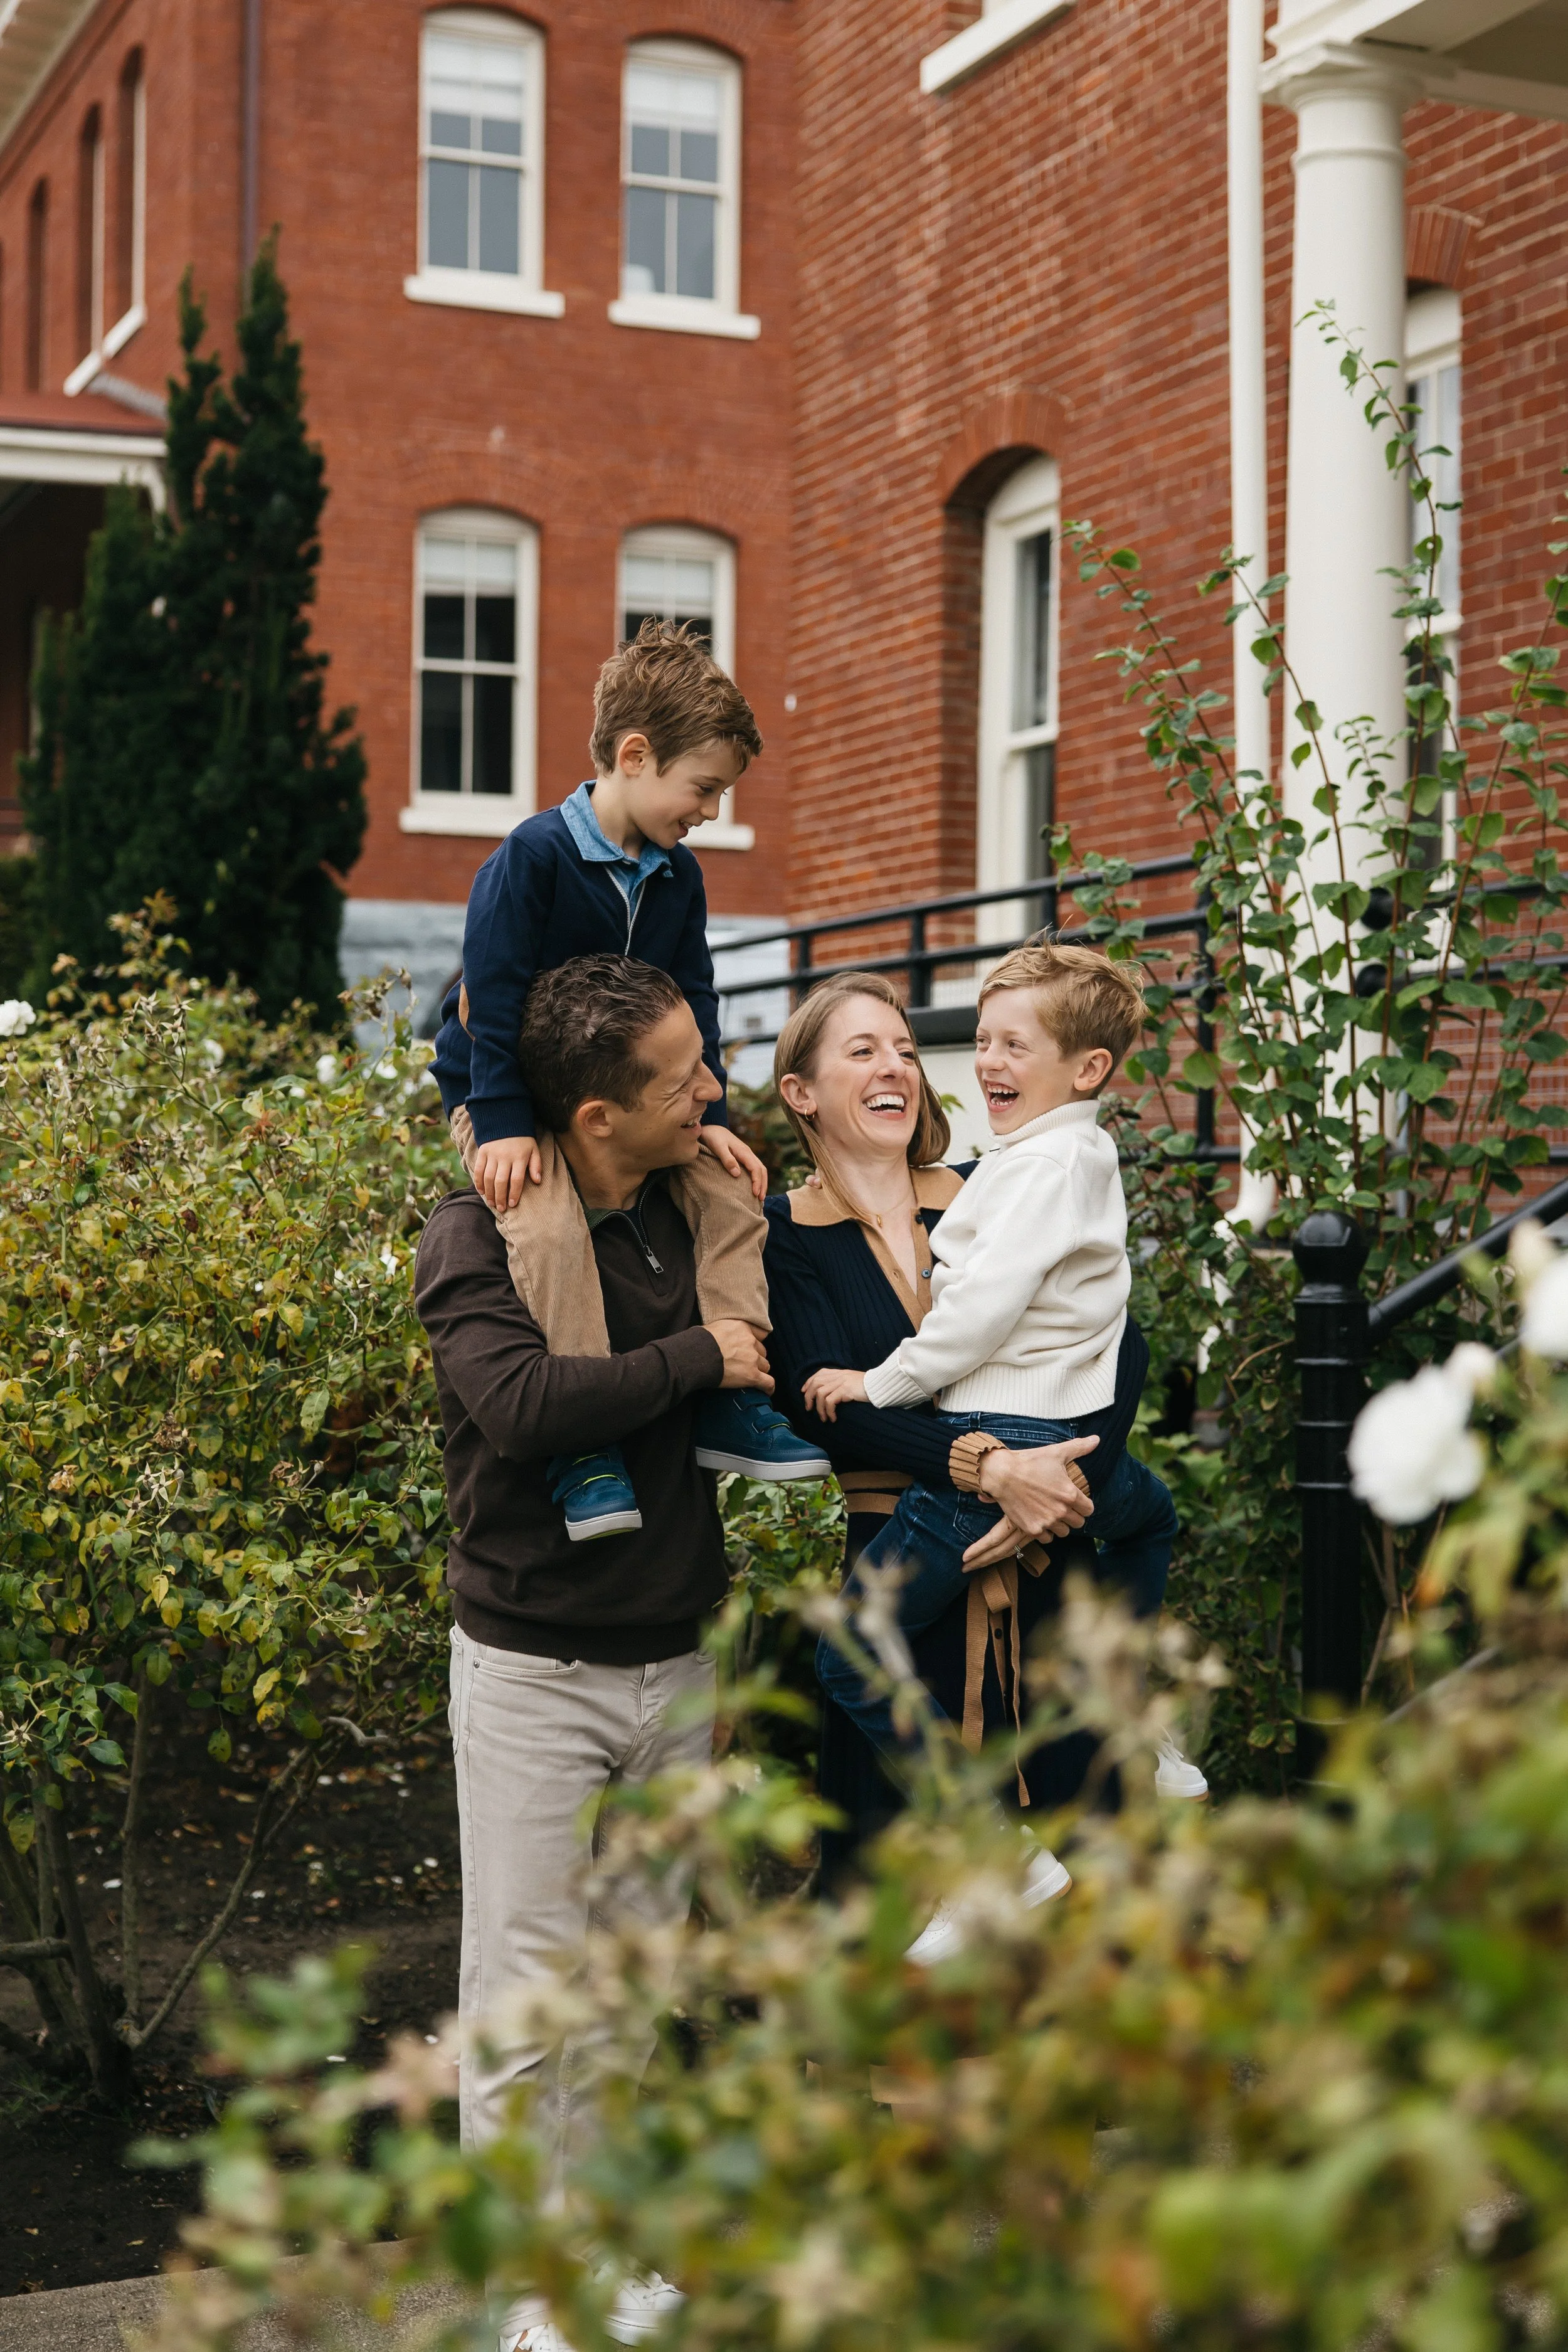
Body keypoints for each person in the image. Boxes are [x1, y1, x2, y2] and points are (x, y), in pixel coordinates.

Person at [415, 954, 769, 2352]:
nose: (711, 1091)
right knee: (525, 1997)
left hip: (675, 1657)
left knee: (627, 1992)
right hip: (535, 1674)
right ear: (594, 1116)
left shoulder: (690, 1204)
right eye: (682, 1080)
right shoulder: (477, 1230)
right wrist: (698, 1359)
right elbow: (520, 1404)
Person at [761, 974, 1199, 1896]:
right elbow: (826, 1407)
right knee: (896, 1891)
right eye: (864, 1050)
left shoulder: (993, 1182)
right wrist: (988, 1467)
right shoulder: (786, 1234)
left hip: (1046, 1546)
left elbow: (1119, 1341)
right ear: (800, 1091)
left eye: (907, 1049)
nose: (897, 1067)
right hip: (910, 1554)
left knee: (1087, 1845)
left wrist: (1073, 1480)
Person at [430, 619, 826, 1545]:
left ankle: (734, 1393)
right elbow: (491, 997)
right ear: (636, 756)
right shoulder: (531, 859)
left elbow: (695, 994)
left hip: (633, 1100)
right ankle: (586, 1448)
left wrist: (712, 1110)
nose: (711, 811)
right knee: (546, 1225)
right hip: (506, 1093)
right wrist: (504, 1123)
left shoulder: (677, 877)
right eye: (704, 788)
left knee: (731, 1191)